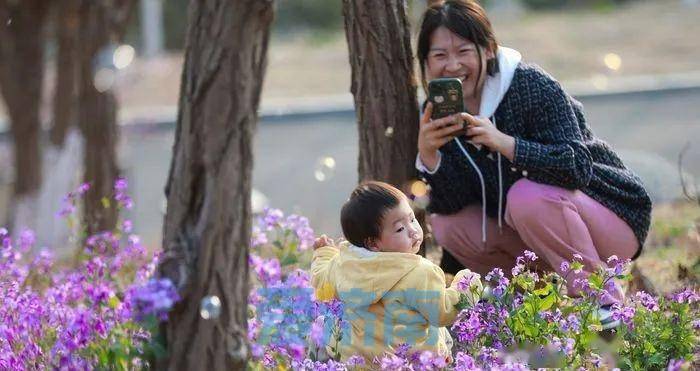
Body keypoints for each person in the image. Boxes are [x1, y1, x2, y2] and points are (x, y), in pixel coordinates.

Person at [414, 0, 652, 328]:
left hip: (610, 220)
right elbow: (452, 204)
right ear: (425, 62)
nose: (453, 65)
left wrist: (505, 143)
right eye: (439, 55)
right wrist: (430, 156)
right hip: (536, 238)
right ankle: (530, 301)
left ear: (488, 50)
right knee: (447, 225)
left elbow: (576, 167)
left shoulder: (530, 86)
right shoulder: (437, 112)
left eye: (464, 51)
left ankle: (605, 305)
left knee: (526, 197)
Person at [310, 181, 481, 363]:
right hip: (411, 362)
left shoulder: (344, 264)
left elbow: (321, 279)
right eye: (400, 228)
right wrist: (467, 285)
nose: (413, 231)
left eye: (413, 219)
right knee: (441, 332)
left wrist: (324, 253)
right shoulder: (419, 273)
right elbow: (443, 312)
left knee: (325, 323)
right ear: (373, 243)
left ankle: (319, 359)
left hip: (361, 362)